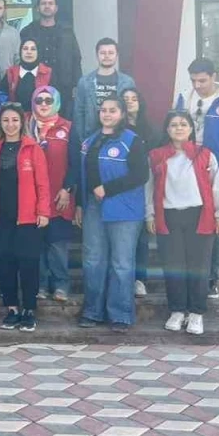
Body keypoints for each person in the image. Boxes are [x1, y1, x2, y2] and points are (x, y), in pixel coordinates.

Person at [147, 109, 219, 337]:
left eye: (183, 124)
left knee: (198, 266)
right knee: (173, 266)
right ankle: (177, 310)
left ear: (191, 128)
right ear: (167, 129)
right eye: (174, 124)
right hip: (169, 216)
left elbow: (216, 187)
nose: (179, 128)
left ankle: (196, 312)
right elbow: (149, 188)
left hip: (199, 215)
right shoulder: (156, 156)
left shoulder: (204, 154)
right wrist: (150, 215)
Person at [174, 58, 219, 300]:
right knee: (187, 225)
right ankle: (188, 278)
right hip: (185, 172)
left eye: (202, 81)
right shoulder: (183, 100)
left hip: (217, 173)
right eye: (193, 81)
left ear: (214, 76)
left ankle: (210, 279)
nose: (198, 85)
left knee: (215, 227)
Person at [76, 97, 151, 331]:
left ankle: (120, 314)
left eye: (113, 110)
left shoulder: (132, 140)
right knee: (93, 260)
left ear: (122, 114)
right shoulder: (90, 141)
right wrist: (79, 204)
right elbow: (83, 176)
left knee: (121, 263)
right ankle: (92, 311)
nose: (107, 114)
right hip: (94, 207)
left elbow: (141, 175)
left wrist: (108, 189)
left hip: (124, 209)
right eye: (103, 110)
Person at [0, 104, 51, 332]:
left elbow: (43, 183)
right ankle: (12, 309)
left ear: (22, 123)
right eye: (6, 120)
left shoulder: (33, 149)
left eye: (15, 120)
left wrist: (43, 211)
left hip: (27, 218)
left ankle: (29, 310)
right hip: (1, 217)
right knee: (6, 264)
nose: (10, 125)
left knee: (28, 263)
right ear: (0, 124)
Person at [27, 86, 78, 302]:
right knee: (36, 244)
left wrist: (67, 189)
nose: (43, 104)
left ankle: (60, 285)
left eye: (48, 100)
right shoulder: (26, 126)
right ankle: (40, 285)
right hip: (32, 198)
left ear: (56, 102)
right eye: (39, 100)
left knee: (57, 244)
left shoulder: (68, 127)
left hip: (59, 196)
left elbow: (75, 162)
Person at [121, 85, 158, 296]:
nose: (129, 101)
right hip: (122, 185)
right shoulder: (116, 128)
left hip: (145, 185)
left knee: (142, 237)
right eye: (125, 98)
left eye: (133, 98)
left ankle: (139, 279)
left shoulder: (150, 130)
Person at [20, 0, 82, 118]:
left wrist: (77, 85)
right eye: (43, 3)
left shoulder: (67, 31)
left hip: (63, 87)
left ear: (56, 8)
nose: (47, 6)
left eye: (50, 3)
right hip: (36, 86)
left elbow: (75, 58)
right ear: (37, 8)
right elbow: (22, 59)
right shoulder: (28, 31)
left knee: (63, 121)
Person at [73, 38, 136, 141]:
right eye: (103, 53)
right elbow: (78, 112)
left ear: (117, 55)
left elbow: (131, 111)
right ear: (97, 55)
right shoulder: (84, 82)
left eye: (111, 53)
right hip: (91, 135)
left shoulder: (127, 81)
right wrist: (82, 139)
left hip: (120, 135)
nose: (107, 56)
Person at [6, 38, 52, 109]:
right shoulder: (11, 72)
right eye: (25, 49)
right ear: (20, 52)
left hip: (41, 115)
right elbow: (1, 97)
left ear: (38, 52)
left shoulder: (48, 73)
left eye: (33, 49)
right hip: (16, 115)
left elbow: (54, 100)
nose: (29, 52)